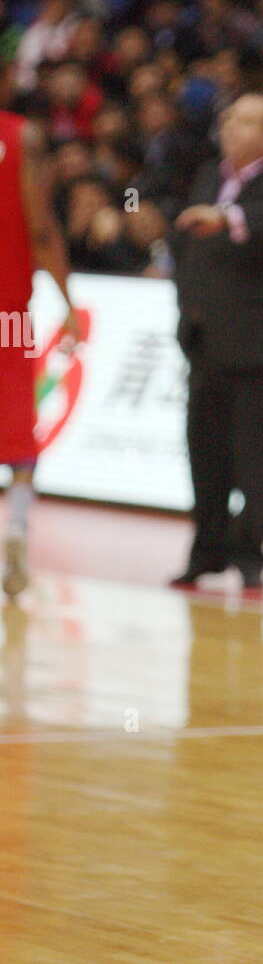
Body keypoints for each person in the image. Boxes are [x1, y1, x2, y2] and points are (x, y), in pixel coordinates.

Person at [169, 92, 263, 591]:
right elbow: (184, 242)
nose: (229, 127)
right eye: (229, 119)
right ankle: (205, 552)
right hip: (207, 347)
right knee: (204, 456)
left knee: (256, 461)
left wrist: (229, 220)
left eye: (245, 121)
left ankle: (250, 555)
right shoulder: (210, 175)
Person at [0, 63, 79, 597]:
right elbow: (42, 226)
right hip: (9, 313)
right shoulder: (21, 136)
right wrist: (68, 299)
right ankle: (18, 528)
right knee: (17, 426)